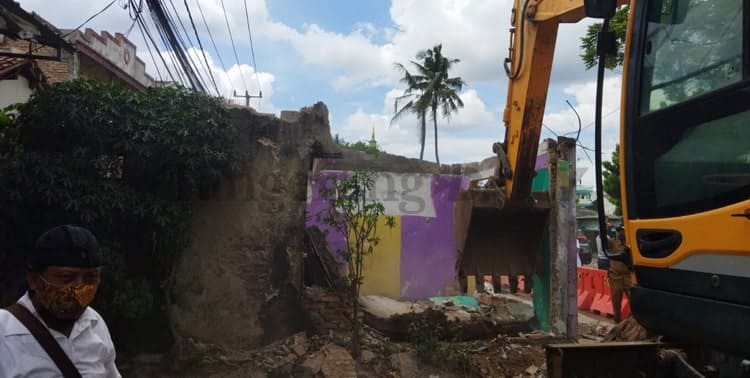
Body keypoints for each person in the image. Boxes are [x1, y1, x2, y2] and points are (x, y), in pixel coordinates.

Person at [0, 225, 120, 377]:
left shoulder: (94, 323)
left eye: (90, 278)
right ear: (34, 280)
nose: (79, 289)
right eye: (66, 277)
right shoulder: (4, 331)